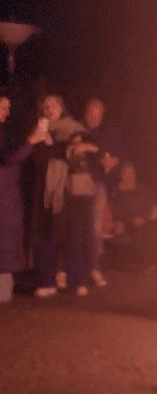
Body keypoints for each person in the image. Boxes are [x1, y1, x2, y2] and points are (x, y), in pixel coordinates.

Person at [31, 93, 84, 297]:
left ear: (62, 107)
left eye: (53, 105)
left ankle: (75, 280)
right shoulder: (38, 130)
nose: (50, 109)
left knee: (71, 237)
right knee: (45, 236)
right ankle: (47, 281)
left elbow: (78, 154)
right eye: (46, 107)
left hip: (68, 191)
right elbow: (37, 156)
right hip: (46, 192)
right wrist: (57, 147)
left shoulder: (73, 128)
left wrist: (52, 146)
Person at [0, 92, 48, 303]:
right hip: (4, 196)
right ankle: (2, 291)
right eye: (2, 108)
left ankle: (3, 290)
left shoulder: (4, 132)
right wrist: (31, 141)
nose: (7, 112)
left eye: (8, 108)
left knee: (7, 242)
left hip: (8, 194)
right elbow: (10, 159)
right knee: (5, 242)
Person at [82, 96, 126, 287]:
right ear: (86, 113)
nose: (94, 116)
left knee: (95, 227)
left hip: (98, 184)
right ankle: (74, 268)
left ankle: (94, 267)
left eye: (98, 113)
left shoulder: (109, 133)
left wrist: (112, 163)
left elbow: (119, 158)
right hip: (78, 184)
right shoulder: (79, 130)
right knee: (78, 227)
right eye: (91, 112)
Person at [62, 128, 104, 295]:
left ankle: (85, 277)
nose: (79, 145)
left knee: (88, 239)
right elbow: (68, 160)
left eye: (81, 142)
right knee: (74, 240)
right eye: (75, 142)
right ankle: (76, 281)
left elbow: (102, 155)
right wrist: (74, 149)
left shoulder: (90, 157)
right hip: (72, 201)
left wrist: (89, 147)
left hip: (88, 200)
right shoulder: (67, 155)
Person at [109, 161, 154, 272]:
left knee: (148, 233)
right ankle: (142, 265)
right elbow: (115, 211)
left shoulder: (141, 190)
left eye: (132, 172)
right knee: (135, 234)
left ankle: (145, 264)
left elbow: (149, 207)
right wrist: (130, 219)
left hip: (143, 222)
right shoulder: (116, 192)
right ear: (121, 175)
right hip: (126, 223)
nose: (130, 175)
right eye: (126, 173)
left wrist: (143, 219)